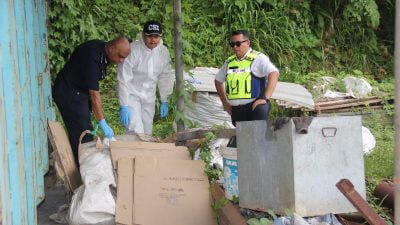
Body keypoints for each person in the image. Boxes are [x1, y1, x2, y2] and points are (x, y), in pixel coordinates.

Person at [52, 36, 131, 162]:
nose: (121, 61)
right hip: (68, 92)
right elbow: (94, 94)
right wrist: (102, 122)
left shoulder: (103, 53)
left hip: (80, 91)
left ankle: (84, 161)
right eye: (120, 56)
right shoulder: (92, 57)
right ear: (111, 48)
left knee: (86, 129)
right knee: (82, 134)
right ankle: (81, 169)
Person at [117, 20, 175, 135]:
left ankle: (143, 153)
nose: (153, 40)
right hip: (131, 95)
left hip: (149, 97)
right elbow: (123, 78)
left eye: (156, 36)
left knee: (147, 131)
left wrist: (165, 99)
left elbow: (165, 76)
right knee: (136, 131)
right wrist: (124, 104)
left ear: (160, 36)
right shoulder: (133, 50)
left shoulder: (163, 52)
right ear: (143, 35)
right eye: (149, 36)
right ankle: (133, 153)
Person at [215, 30, 279, 126]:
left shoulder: (258, 58)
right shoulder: (229, 62)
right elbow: (218, 81)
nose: (235, 47)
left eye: (238, 43)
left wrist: (265, 98)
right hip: (237, 111)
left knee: (257, 137)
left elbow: (274, 73)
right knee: (243, 139)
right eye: (232, 44)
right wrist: (224, 103)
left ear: (248, 42)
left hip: (255, 107)